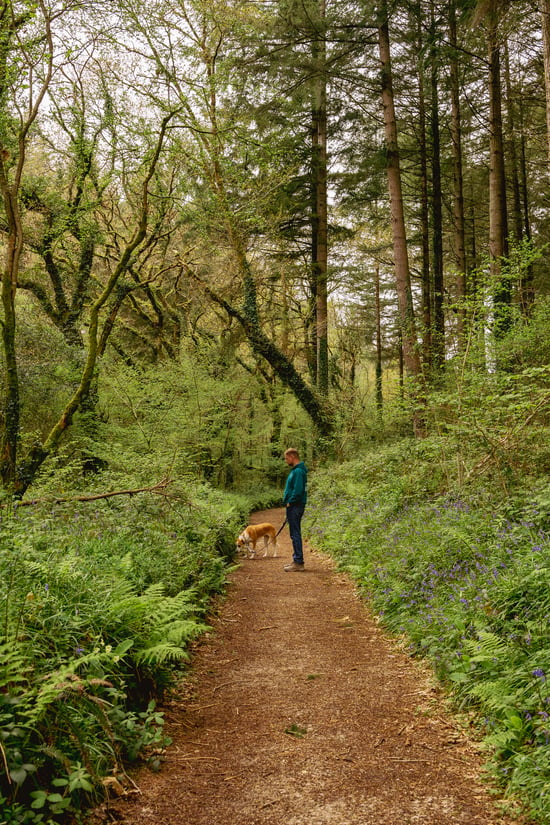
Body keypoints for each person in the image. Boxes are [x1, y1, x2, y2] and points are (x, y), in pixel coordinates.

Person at [282, 448, 308, 572]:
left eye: (286, 458)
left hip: (295, 506)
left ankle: (298, 562)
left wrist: (290, 502)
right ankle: (297, 560)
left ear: (292, 456)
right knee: (294, 533)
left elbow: (298, 490)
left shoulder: (298, 472)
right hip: (294, 505)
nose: (286, 461)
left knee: (295, 533)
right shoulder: (296, 471)